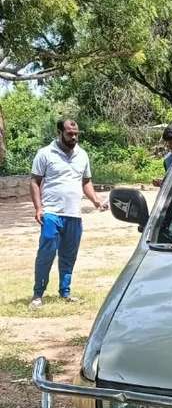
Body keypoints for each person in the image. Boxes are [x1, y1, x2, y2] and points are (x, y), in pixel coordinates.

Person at [29, 119, 108, 310]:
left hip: (74, 214)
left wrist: (95, 200)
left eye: (76, 134)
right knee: (46, 252)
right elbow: (34, 181)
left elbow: (86, 181)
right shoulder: (45, 153)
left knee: (68, 255)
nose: (73, 137)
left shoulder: (82, 155)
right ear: (59, 132)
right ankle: (38, 294)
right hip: (51, 213)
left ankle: (65, 292)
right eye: (69, 134)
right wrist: (38, 208)